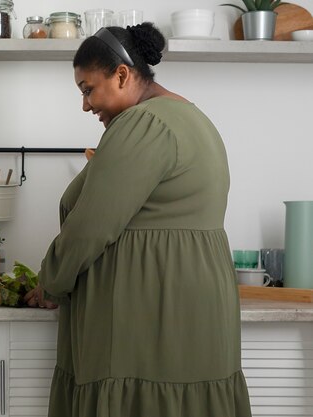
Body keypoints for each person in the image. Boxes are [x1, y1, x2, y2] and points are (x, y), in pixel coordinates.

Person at [24, 23, 252, 417]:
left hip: (150, 311)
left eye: (87, 89)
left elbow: (90, 227)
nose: (85, 105)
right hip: (192, 306)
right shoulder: (193, 119)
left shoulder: (143, 124)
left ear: (123, 75)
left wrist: (51, 283)